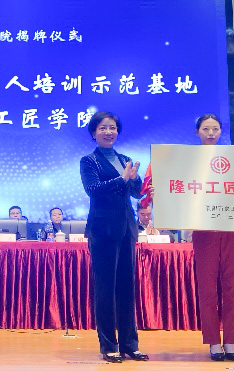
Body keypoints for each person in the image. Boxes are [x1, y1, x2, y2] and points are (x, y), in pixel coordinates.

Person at [79, 111, 148, 363]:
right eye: (103, 128)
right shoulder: (89, 161)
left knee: (127, 287)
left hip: (127, 229)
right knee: (106, 287)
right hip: (103, 229)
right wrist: (122, 178)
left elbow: (136, 192)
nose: (108, 132)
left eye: (113, 128)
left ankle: (130, 344)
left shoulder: (125, 159)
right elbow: (93, 190)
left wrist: (136, 180)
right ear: (94, 133)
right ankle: (109, 345)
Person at [186, 114, 234, 362]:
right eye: (205, 129)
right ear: (197, 132)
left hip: (233, 226)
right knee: (207, 287)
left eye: (215, 129)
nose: (210, 133)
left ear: (221, 132)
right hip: (204, 228)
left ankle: (230, 340)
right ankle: (212, 341)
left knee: (232, 286)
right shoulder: (187, 160)